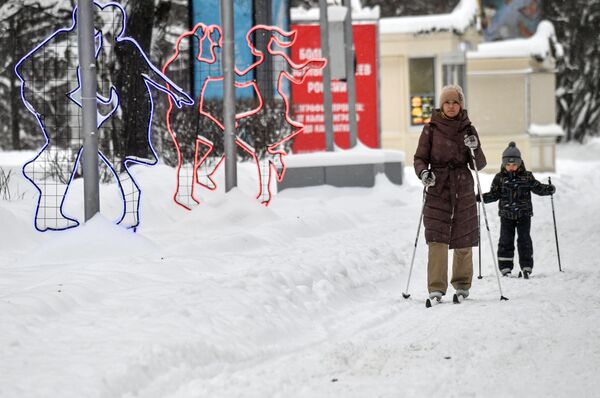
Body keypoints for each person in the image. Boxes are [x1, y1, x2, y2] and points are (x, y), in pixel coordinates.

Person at [414, 84, 487, 301]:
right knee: (437, 238)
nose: (452, 106)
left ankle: (462, 284)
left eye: (455, 102)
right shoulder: (431, 129)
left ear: (461, 105)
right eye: (447, 102)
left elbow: (479, 164)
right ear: (441, 105)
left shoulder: (468, 129)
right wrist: (424, 173)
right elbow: (419, 158)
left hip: (463, 187)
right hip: (438, 186)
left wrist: (474, 147)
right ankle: (436, 287)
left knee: (463, 237)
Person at [479, 141, 555, 278]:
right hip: (506, 215)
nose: (511, 167)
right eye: (508, 165)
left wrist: (548, 190)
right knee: (505, 240)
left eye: (514, 164)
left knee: (524, 239)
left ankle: (526, 266)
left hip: (523, 214)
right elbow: (494, 195)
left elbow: (537, 188)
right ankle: (505, 267)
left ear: (520, 163)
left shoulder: (526, 177)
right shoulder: (499, 178)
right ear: (503, 164)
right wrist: (481, 197)